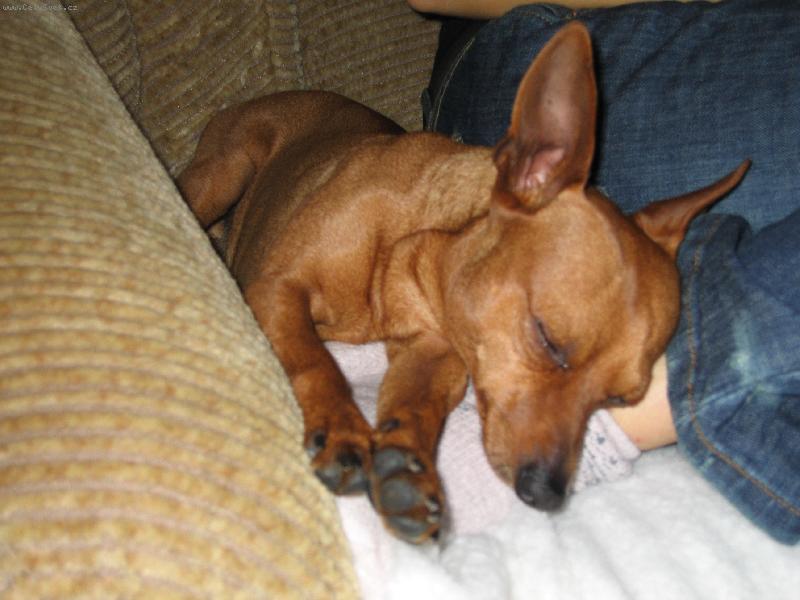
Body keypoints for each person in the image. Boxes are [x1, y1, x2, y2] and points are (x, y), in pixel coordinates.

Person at [407, 0, 800, 544]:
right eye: (548, 342)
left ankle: (682, 390)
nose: (554, 459)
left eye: (614, 398)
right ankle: (687, 391)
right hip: (516, 36)